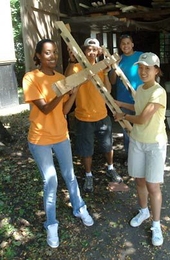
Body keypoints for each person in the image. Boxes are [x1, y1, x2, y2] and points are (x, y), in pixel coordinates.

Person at [22, 39, 94, 249]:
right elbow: (45, 109)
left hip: (61, 135)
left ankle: (79, 207)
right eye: (47, 53)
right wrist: (62, 92)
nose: (52, 56)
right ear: (38, 56)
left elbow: (63, 111)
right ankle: (51, 224)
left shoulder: (63, 78)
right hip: (40, 138)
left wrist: (74, 93)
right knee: (50, 180)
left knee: (70, 175)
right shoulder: (30, 78)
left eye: (54, 53)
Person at [114, 52, 167, 247]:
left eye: (148, 68)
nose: (144, 71)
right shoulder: (141, 89)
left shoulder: (158, 91)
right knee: (139, 181)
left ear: (156, 70)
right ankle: (144, 211)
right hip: (137, 141)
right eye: (141, 68)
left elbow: (143, 118)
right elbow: (138, 108)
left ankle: (156, 224)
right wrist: (122, 105)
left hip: (154, 144)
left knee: (153, 186)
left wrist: (123, 116)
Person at [65, 38, 123, 193]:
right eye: (88, 49)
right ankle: (88, 175)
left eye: (94, 49)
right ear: (83, 51)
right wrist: (71, 60)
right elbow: (67, 83)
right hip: (83, 117)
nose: (91, 52)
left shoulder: (101, 67)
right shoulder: (77, 67)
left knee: (107, 145)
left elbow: (108, 90)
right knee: (86, 150)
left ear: (99, 52)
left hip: (102, 115)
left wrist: (106, 70)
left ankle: (110, 168)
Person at [109, 34, 143, 165]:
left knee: (141, 127)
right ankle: (130, 157)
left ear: (132, 44)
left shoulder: (141, 56)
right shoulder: (119, 59)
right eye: (123, 43)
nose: (126, 46)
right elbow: (112, 81)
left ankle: (141, 156)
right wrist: (114, 67)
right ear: (120, 46)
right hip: (123, 100)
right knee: (127, 130)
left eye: (128, 43)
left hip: (140, 98)